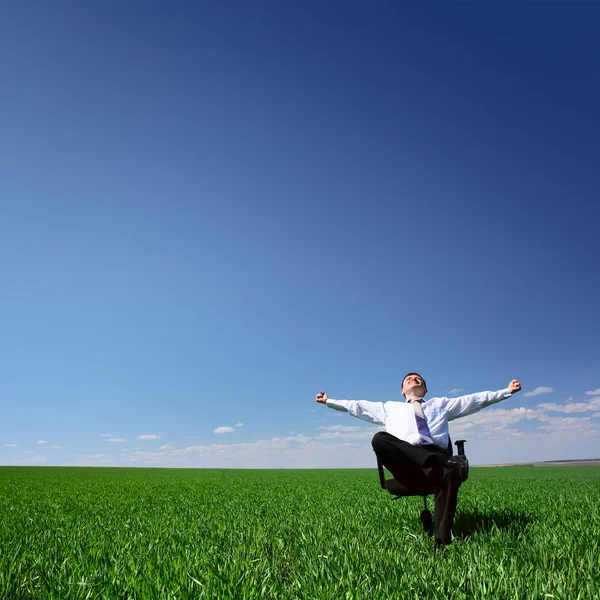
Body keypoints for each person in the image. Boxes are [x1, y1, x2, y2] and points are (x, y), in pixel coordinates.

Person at [315, 373, 522, 546]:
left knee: (449, 474)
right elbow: (357, 406)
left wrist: (506, 391)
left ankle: (441, 542)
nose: (414, 379)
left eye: (418, 378)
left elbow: (475, 400)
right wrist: (329, 401)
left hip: (437, 466)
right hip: (407, 466)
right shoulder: (390, 408)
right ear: (402, 391)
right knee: (380, 438)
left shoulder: (441, 404)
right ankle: (443, 461)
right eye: (409, 379)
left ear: (425, 389)